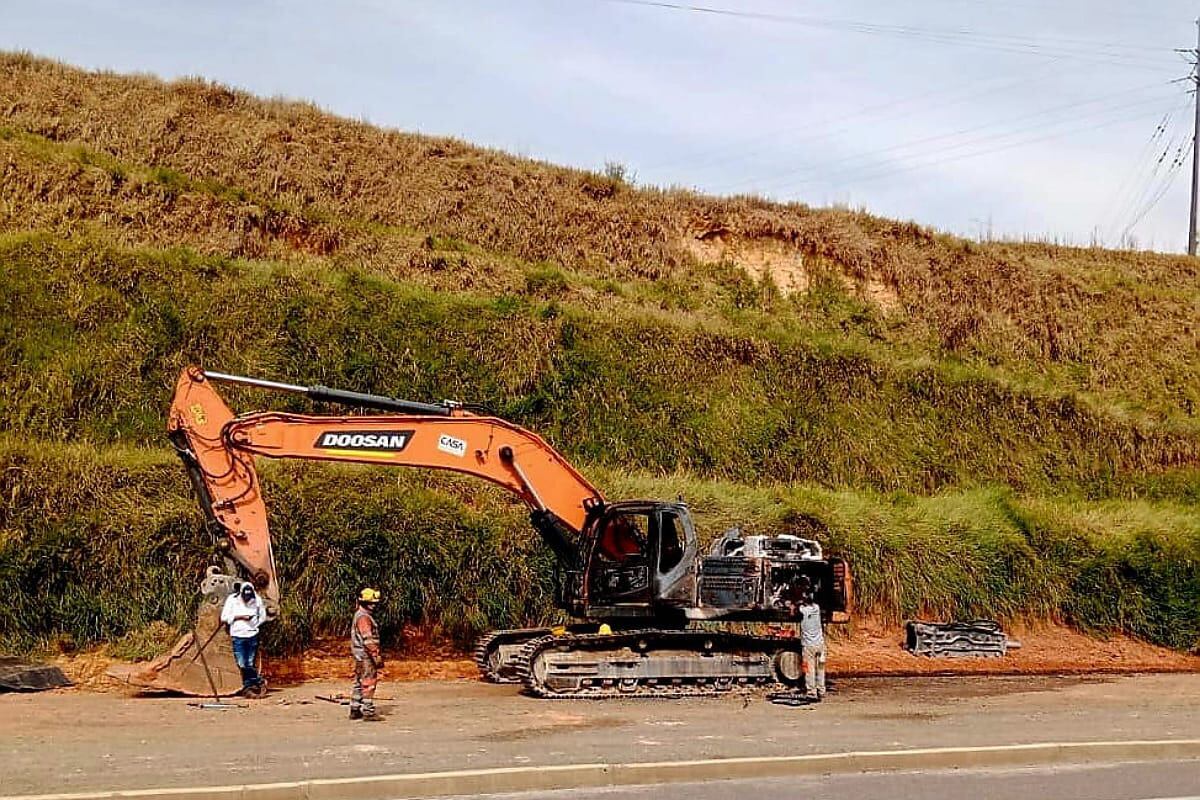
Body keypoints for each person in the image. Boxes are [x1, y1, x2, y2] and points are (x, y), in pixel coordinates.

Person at [220, 582, 267, 696]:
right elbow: (224, 617)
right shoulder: (232, 600)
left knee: (250, 663)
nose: (247, 600)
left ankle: (248, 688)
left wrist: (255, 625)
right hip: (238, 635)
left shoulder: (257, 600)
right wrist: (238, 617)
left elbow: (263, 616)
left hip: (252, 634)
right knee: (242, 663)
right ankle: (258, 681)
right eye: (245, 597)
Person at [350, 588, 384, 721]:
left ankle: (355, 708)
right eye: (371, 602)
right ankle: (368, 711)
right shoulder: (364, 617)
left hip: (359, 654)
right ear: (364, 602)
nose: (374, 605)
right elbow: (368, 639)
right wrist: (375, 655)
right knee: (369, 682)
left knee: (359, 681)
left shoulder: (359, 615)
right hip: (365, 655)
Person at [795, 578, 827, 701]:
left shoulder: (802, 610)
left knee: (809, 669)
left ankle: (811, 691)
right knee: (821, 669)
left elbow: (794, 611)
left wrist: (796, 602)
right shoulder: (817, 608)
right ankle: (821, 690)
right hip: (820, 645)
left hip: (809, 646)